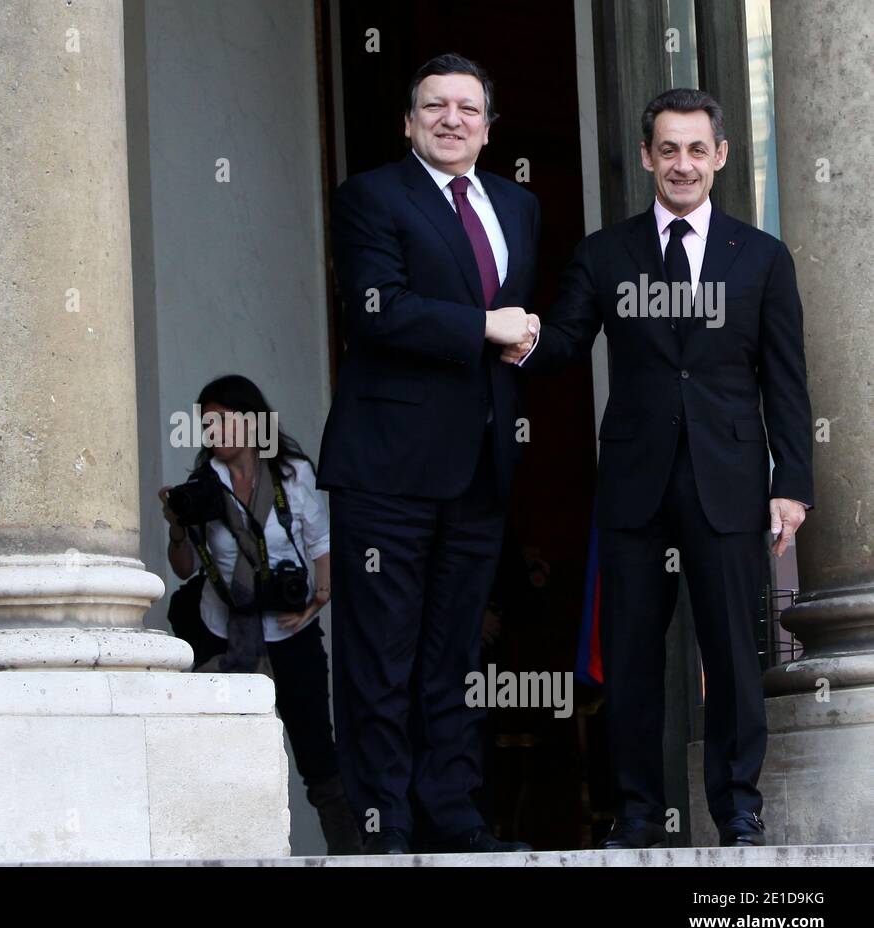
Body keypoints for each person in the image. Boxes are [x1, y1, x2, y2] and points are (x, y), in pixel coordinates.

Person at [506, 89, 813, 848]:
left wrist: (792, 484)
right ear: (647, 157)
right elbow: (567, 341)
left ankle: (738, 811)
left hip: (730, 483)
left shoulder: (762, 256)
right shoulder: (606, 253)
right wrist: (509, 336)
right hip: (637, 487)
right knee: (635, 659)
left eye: (696, 150)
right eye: (667, 150)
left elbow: (786, 380)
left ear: (721, 157)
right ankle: (639, 814)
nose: (682, 164)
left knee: (737, 657)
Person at [317, 54, 541, 854]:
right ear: (408, 121)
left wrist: (525, 334)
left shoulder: (517, 204)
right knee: (382, 658)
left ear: (488, 124)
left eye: (468, 108)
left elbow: (512, 318)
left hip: (479, 467)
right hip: (388, 466)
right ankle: (385, 826)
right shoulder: (373, 196)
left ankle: (453, 816)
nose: (452, 119)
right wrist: (489, 327)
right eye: (435, 106)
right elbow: (379, 310)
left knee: (453, 656)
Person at [159, 374, 361, 854]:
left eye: (221, 421)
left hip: (292, 633)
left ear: (251, 421)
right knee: (222, 748)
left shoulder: (292, 474)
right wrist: (176, 529)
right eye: (206, 424)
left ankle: (353, 857)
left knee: (317, 752)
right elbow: (185, 567)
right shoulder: (203, 488)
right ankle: (224, 852)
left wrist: (320, 596)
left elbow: (321, 540)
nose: (213, 433)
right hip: (225, 633)